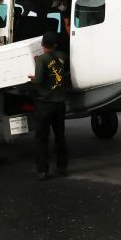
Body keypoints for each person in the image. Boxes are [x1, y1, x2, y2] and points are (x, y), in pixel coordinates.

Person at [29, 31, 68, 180]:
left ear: (42, 44)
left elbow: (38, 80)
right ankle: (62, 166)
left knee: (42, 139)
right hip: (60, 104)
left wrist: (32, 78)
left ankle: (43, 170)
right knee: (60, 136)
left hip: (45, 105)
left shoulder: (42, 59)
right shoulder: (63, 56)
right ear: (55, 45)